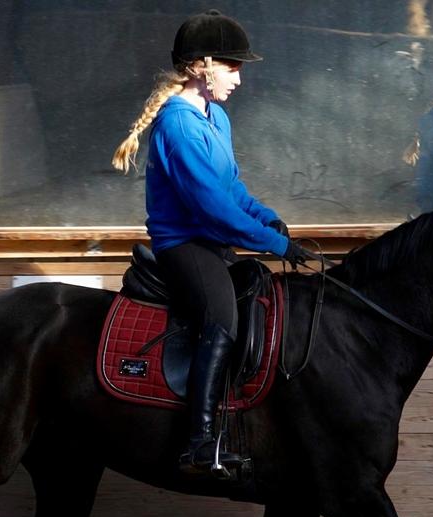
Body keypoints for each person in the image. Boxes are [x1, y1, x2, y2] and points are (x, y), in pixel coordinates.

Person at [112, 9, 312, 477]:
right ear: (202, 65)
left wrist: (269, 218)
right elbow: (210, 209)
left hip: (214, 241)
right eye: (233, 67)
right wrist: (274, 245)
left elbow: (232, 190)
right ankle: (199, 441)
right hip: (184, 245)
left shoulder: (215, 117)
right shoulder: (178, 125)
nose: (239, 79)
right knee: (221, 315)